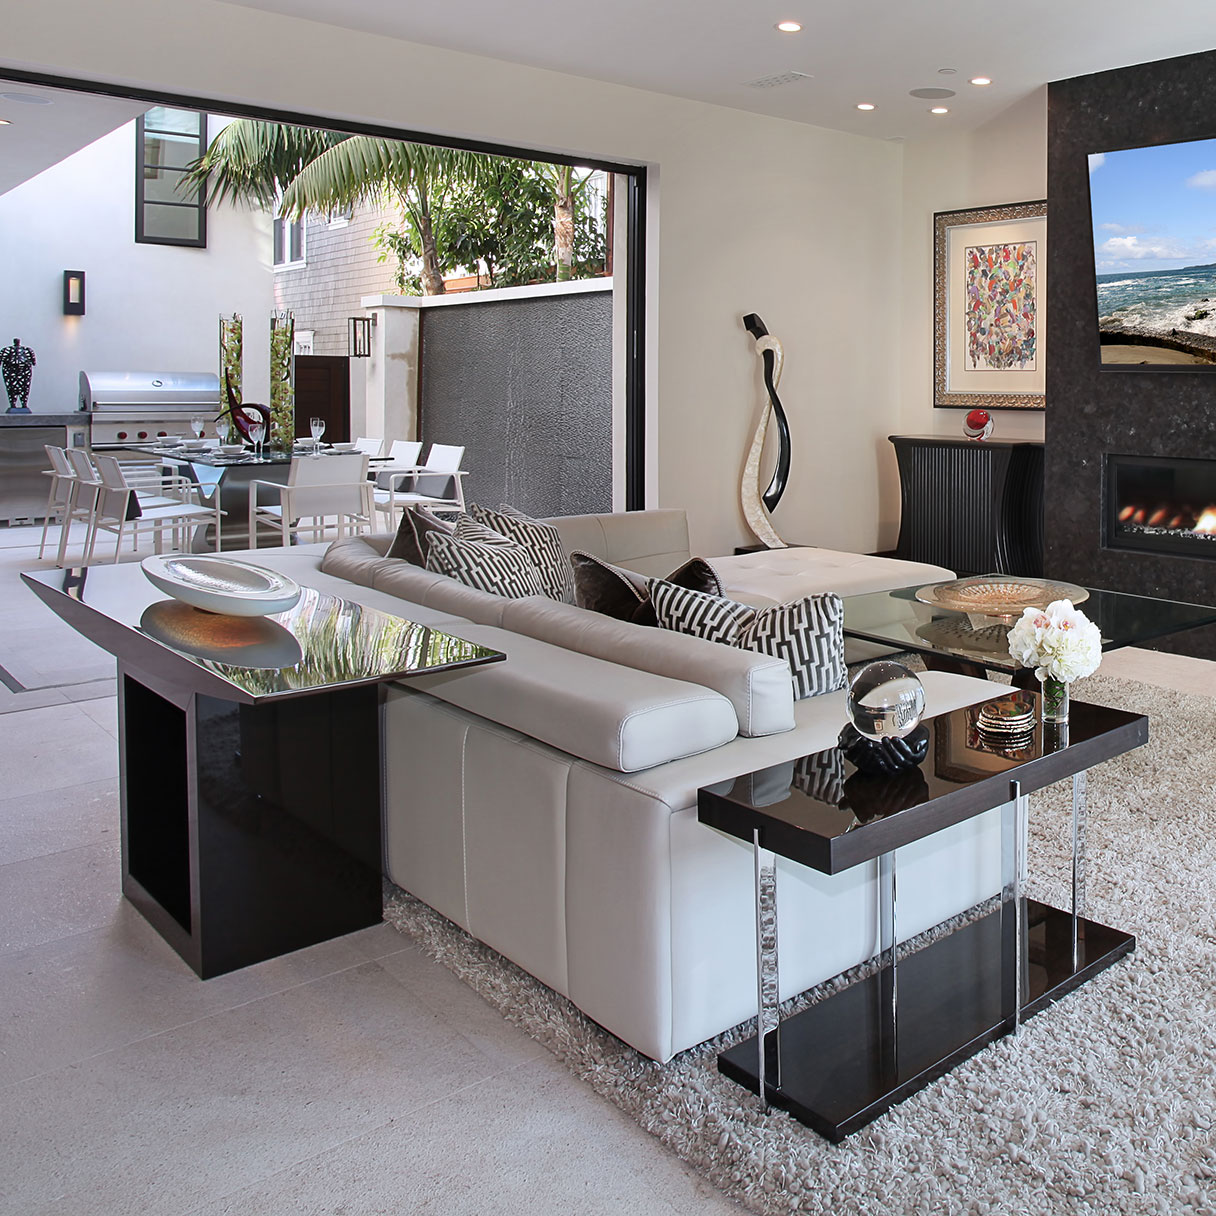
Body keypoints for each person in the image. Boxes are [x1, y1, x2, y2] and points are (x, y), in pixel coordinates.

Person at [1, 338, 36, 412]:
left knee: (24, 387)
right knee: (11, 387)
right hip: (11, 370)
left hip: (23, 370)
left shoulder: (27, 350)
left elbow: (33, 361)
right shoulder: (6, 350)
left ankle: (23, 403)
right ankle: (13, 403)